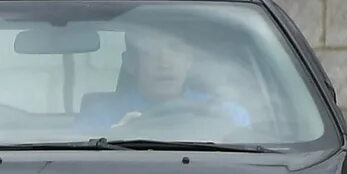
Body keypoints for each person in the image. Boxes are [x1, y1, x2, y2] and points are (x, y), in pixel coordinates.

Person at [79, 26, 251, 134]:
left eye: (175, 49)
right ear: (132, 63)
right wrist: (115, 139)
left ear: (189, 59)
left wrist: (225, 133)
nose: (164, 63)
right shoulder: (99, 117)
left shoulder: (226, 113)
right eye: (150, 51)